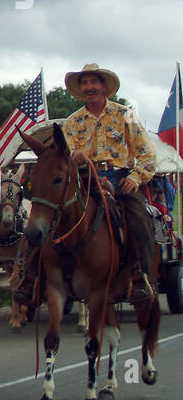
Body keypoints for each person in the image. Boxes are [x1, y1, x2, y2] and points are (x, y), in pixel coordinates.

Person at [12, 63, 157, 306]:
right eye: (84, 83)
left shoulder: (125, 115)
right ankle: (30, 277)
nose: (89, 87)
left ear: (103, 86)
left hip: (118, 177)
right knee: (47, 214)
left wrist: (134, 177)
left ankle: (139, 274)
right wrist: (74, 159)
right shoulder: (72, 122)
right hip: (81, 179)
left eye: (93, 82)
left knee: (139, 216)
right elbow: (63, 157)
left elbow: (147, 153)